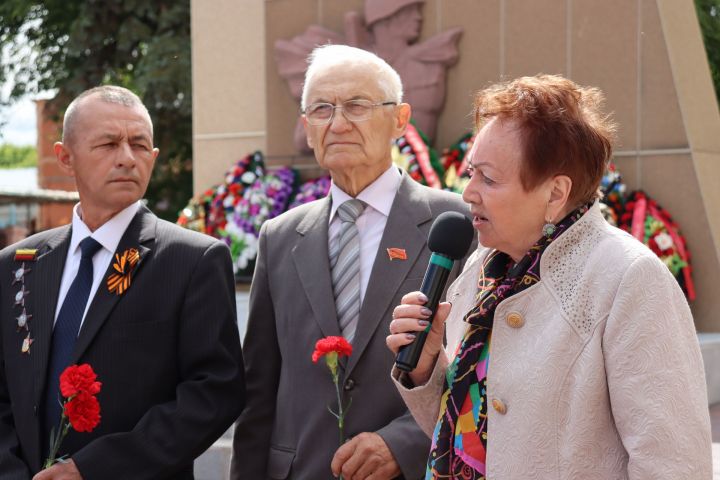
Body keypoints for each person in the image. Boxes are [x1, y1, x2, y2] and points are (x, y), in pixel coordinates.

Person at [386, 74, 712, 478]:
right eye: (471, 173)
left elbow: (673, 465)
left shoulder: (628, 278)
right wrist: (426, 363)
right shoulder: (479, 270)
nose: (468, 192)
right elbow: (467, 434)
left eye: (488, 178)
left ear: (555, 194)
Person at [231, 44, 471, 480]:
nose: (338, 123)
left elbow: (483, 366)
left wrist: (404, 443)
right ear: (307, 127)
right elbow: (259, 389)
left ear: (400, 119)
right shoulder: (281, 236)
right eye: (321, 109)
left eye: (356, 106)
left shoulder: (455, 225)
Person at [0, 86, 245, 480]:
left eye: (139, 145)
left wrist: (93, 469)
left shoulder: (191, 259)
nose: (127, 158)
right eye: (109, 144)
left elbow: (214, 392)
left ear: (154, 157)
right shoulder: (18, 265)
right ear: (65, 157)